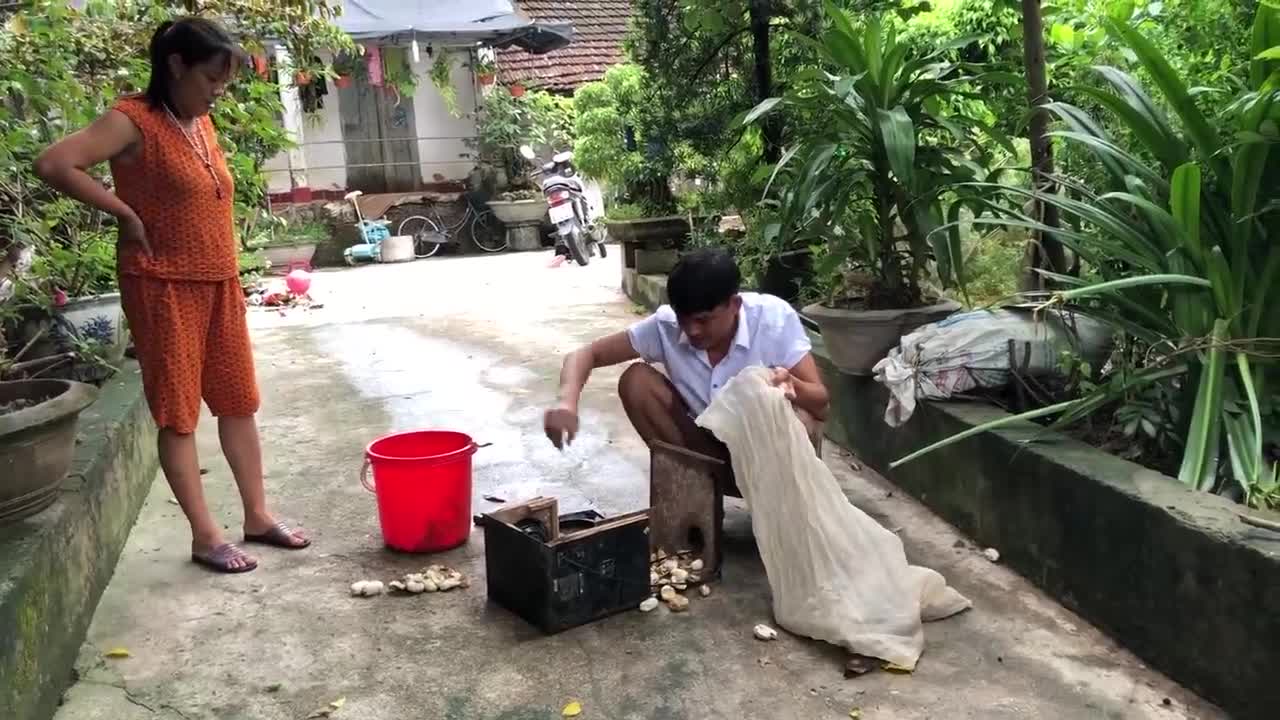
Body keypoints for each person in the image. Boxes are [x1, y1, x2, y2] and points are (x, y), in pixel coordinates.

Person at [35, 17, 308, 573]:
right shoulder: (132, 119)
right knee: (179, 413)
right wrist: (124, 212)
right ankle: (206, 536)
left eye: (224, 82)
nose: (217, 91)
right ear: (177, 65)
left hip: (218, 279)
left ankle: (257, 515)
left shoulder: (199, 123)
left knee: (239, 401)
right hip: (161, 285)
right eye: (211, 78)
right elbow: (54, 163)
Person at [543, 248, 829, 470]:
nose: (691, 330)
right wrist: (566, 403)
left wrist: (792, 385)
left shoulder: (773, 319)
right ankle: (699, 489)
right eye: (684, 319)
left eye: (704, 320)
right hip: (707, 450)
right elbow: (586, 354)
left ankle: (782, 510)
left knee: (802, 419)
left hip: (770, 456)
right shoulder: (665, 326)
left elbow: (821, 406)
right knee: (636, 381)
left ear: (734, 305)